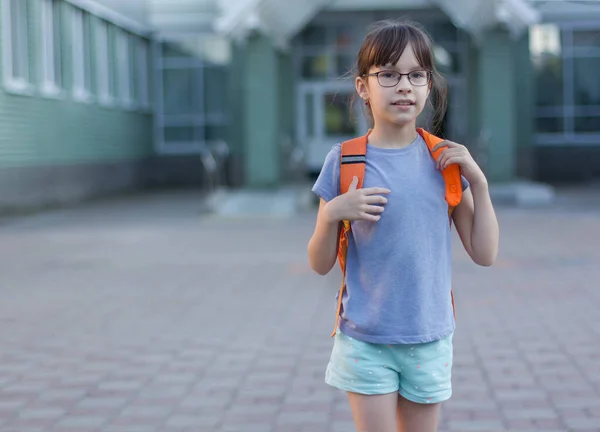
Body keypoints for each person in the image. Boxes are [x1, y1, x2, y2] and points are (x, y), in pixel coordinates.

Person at [307, 19, 500, 432]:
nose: (404, 86)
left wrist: (479, 183)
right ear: (363, 87)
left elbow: (484, 253)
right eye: (389, 75)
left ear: (428, 85)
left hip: (428, 338)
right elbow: (318, 262)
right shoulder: (345, 161)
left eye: (417, 75)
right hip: (365, 338)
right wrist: (330, 214)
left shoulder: (444, 162)